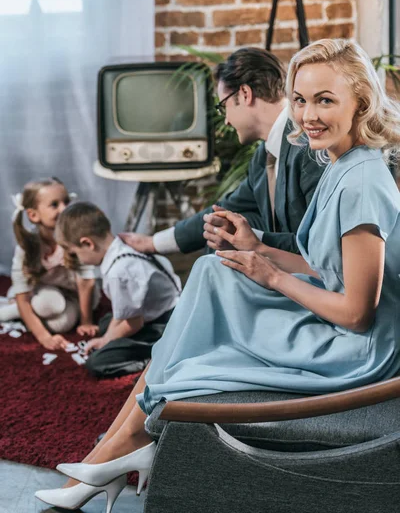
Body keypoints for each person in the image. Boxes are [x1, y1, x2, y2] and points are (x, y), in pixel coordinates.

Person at [35, 38, 400, 512]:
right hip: (342, 325)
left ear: (361, 103)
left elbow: (355, 314)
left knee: (203, 322)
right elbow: (327, 267)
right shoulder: (337, 161)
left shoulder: (362, 182)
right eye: (301, 100)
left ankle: (121, 445)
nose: (308, 115)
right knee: (212, 269)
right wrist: (258, 247)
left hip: (359, 353)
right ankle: (124, 443)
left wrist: (270, 275)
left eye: (325, 100)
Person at [120, 47, 324, 258]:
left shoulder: (308, 146)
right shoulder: (264, 156)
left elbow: (321, 245)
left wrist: (253, 240)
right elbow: (223, 209)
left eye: (223, 106)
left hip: (312, 278)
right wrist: (153, 242)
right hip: (281, 265)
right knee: (220, 226)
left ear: (245, 94)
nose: (225, 120)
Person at [55, 201, 181, 378]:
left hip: (168, 323)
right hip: (159, 310)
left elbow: (133, 323)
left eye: (74, 253)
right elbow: (124, 314)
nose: (76, 259)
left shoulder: (118, 273)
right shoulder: (123, 244)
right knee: (106, 323)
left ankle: (153, 361)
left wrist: (105, 341)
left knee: (97, 363)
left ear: (88, 243)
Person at [1, 177, 98, 351]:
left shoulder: (76, 237)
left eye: (66, 201)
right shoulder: (28, 246)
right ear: (33, 215)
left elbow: (86, 282)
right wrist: (44, 337)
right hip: (46, 289)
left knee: (61, 324)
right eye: (54, 205)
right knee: (48, 304)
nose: (64, 208)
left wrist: (86, 321)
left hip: (75, 294)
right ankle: (16, 309)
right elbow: (23, 297)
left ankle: (20, 310)